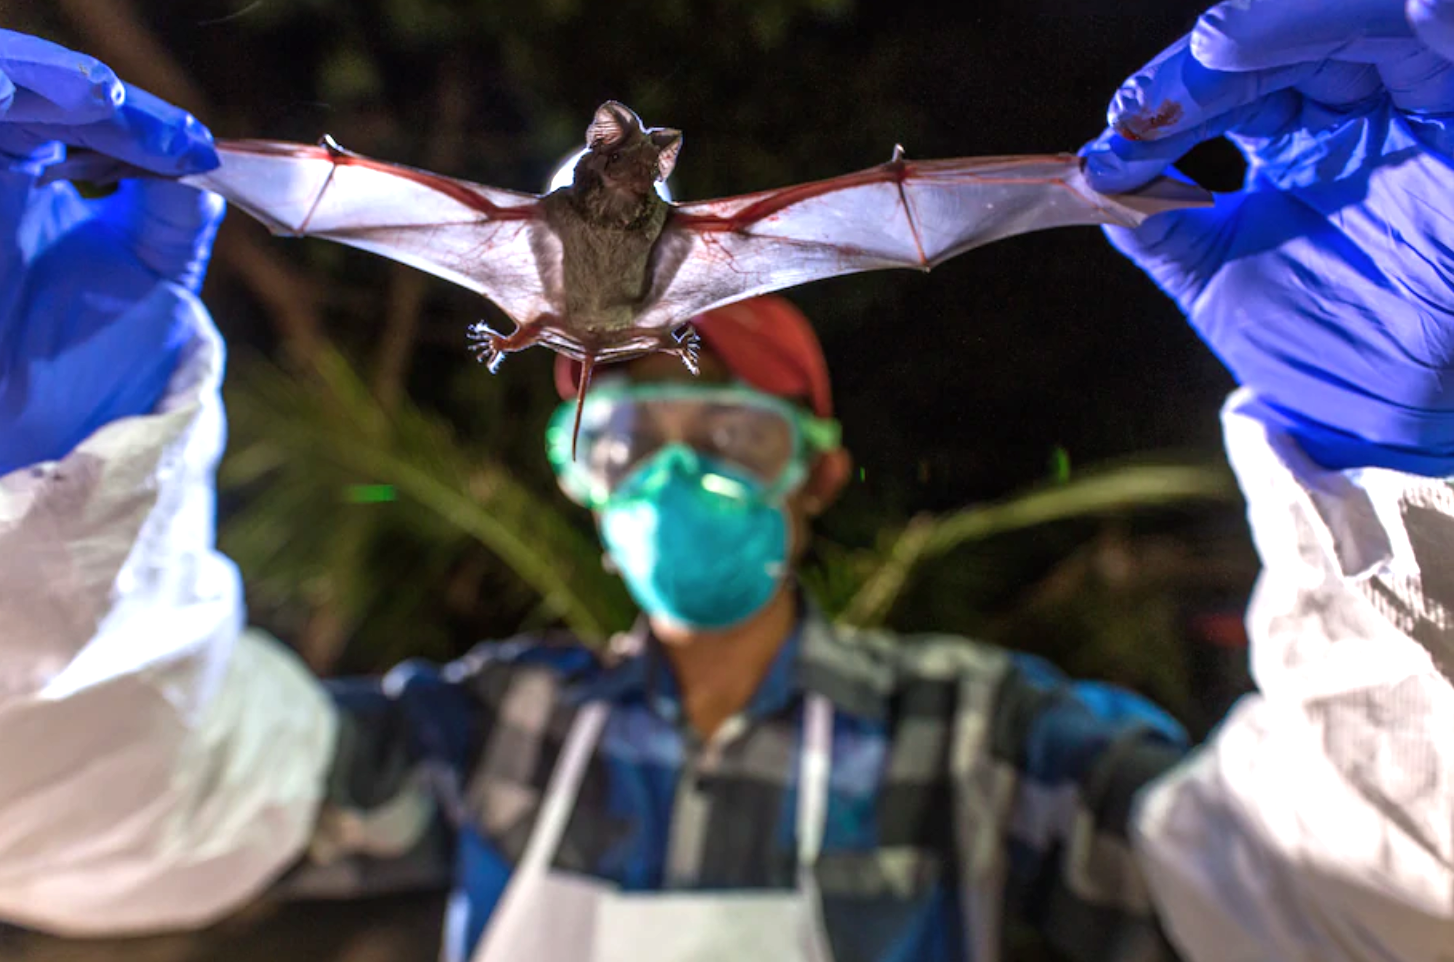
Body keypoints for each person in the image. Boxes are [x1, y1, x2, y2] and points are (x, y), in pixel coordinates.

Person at [2, 0, 1454, 957]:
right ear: (579, 469)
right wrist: (36, 507)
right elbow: (113, 818)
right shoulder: (472, 738)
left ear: (813, 474)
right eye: (631, 438)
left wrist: (1407, 486)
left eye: (738, 430)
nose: (682, 463)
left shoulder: (997, 747)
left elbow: (1336, 901)